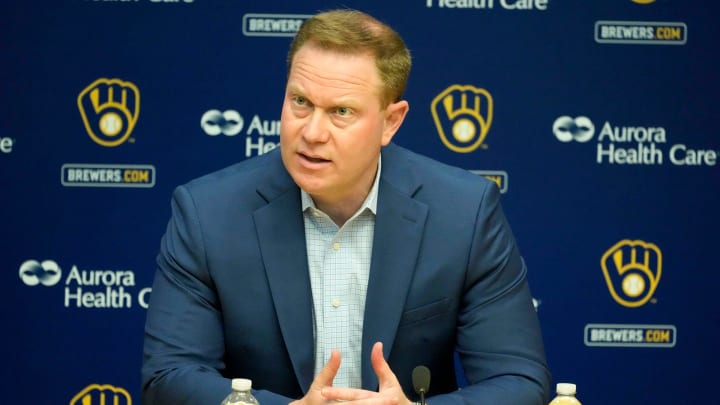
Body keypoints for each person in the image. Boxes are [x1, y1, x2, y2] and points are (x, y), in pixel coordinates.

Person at [141, 8, 551, 405]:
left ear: (391, 122)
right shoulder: (207, 213)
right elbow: (169, 378)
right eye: (300, 102)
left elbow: (518, 380)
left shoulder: (464, 212)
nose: (312, 132)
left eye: (341, 112)